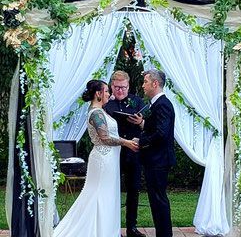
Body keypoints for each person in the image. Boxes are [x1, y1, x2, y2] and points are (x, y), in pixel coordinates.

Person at [53, 79, 138, 237]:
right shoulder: (96, 113)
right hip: (103, 159)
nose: (109, 94)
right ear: (98, 93)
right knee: (99, 194)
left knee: (106, 194)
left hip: (109, 159)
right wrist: (126, 142)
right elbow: (104, 138)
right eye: (106, 91)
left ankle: (106, 230)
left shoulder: (100, 110)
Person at [130, 69, 176, 237]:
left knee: (159, 202)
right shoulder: (157, 104)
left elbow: (162, 133)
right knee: (156, 202)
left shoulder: (162, 104)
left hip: (158, 161)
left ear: (155, 84)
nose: (143, 86)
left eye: (146, 82)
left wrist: (141, 142)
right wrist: (143, 126)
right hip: (155, 160)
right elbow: (156, 129)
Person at [105, 71, 146, 237]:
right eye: (116, 87)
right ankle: (111, 228)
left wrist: (141, 122)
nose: (120, 90)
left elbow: (150, 127)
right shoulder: (106, 104)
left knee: (133, 190)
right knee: (111, 190)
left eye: (123, 87)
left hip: (133, 152)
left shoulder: (137, 102)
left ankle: (132, 228)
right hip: (113, 152)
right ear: (111, 86)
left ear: (128, 86)